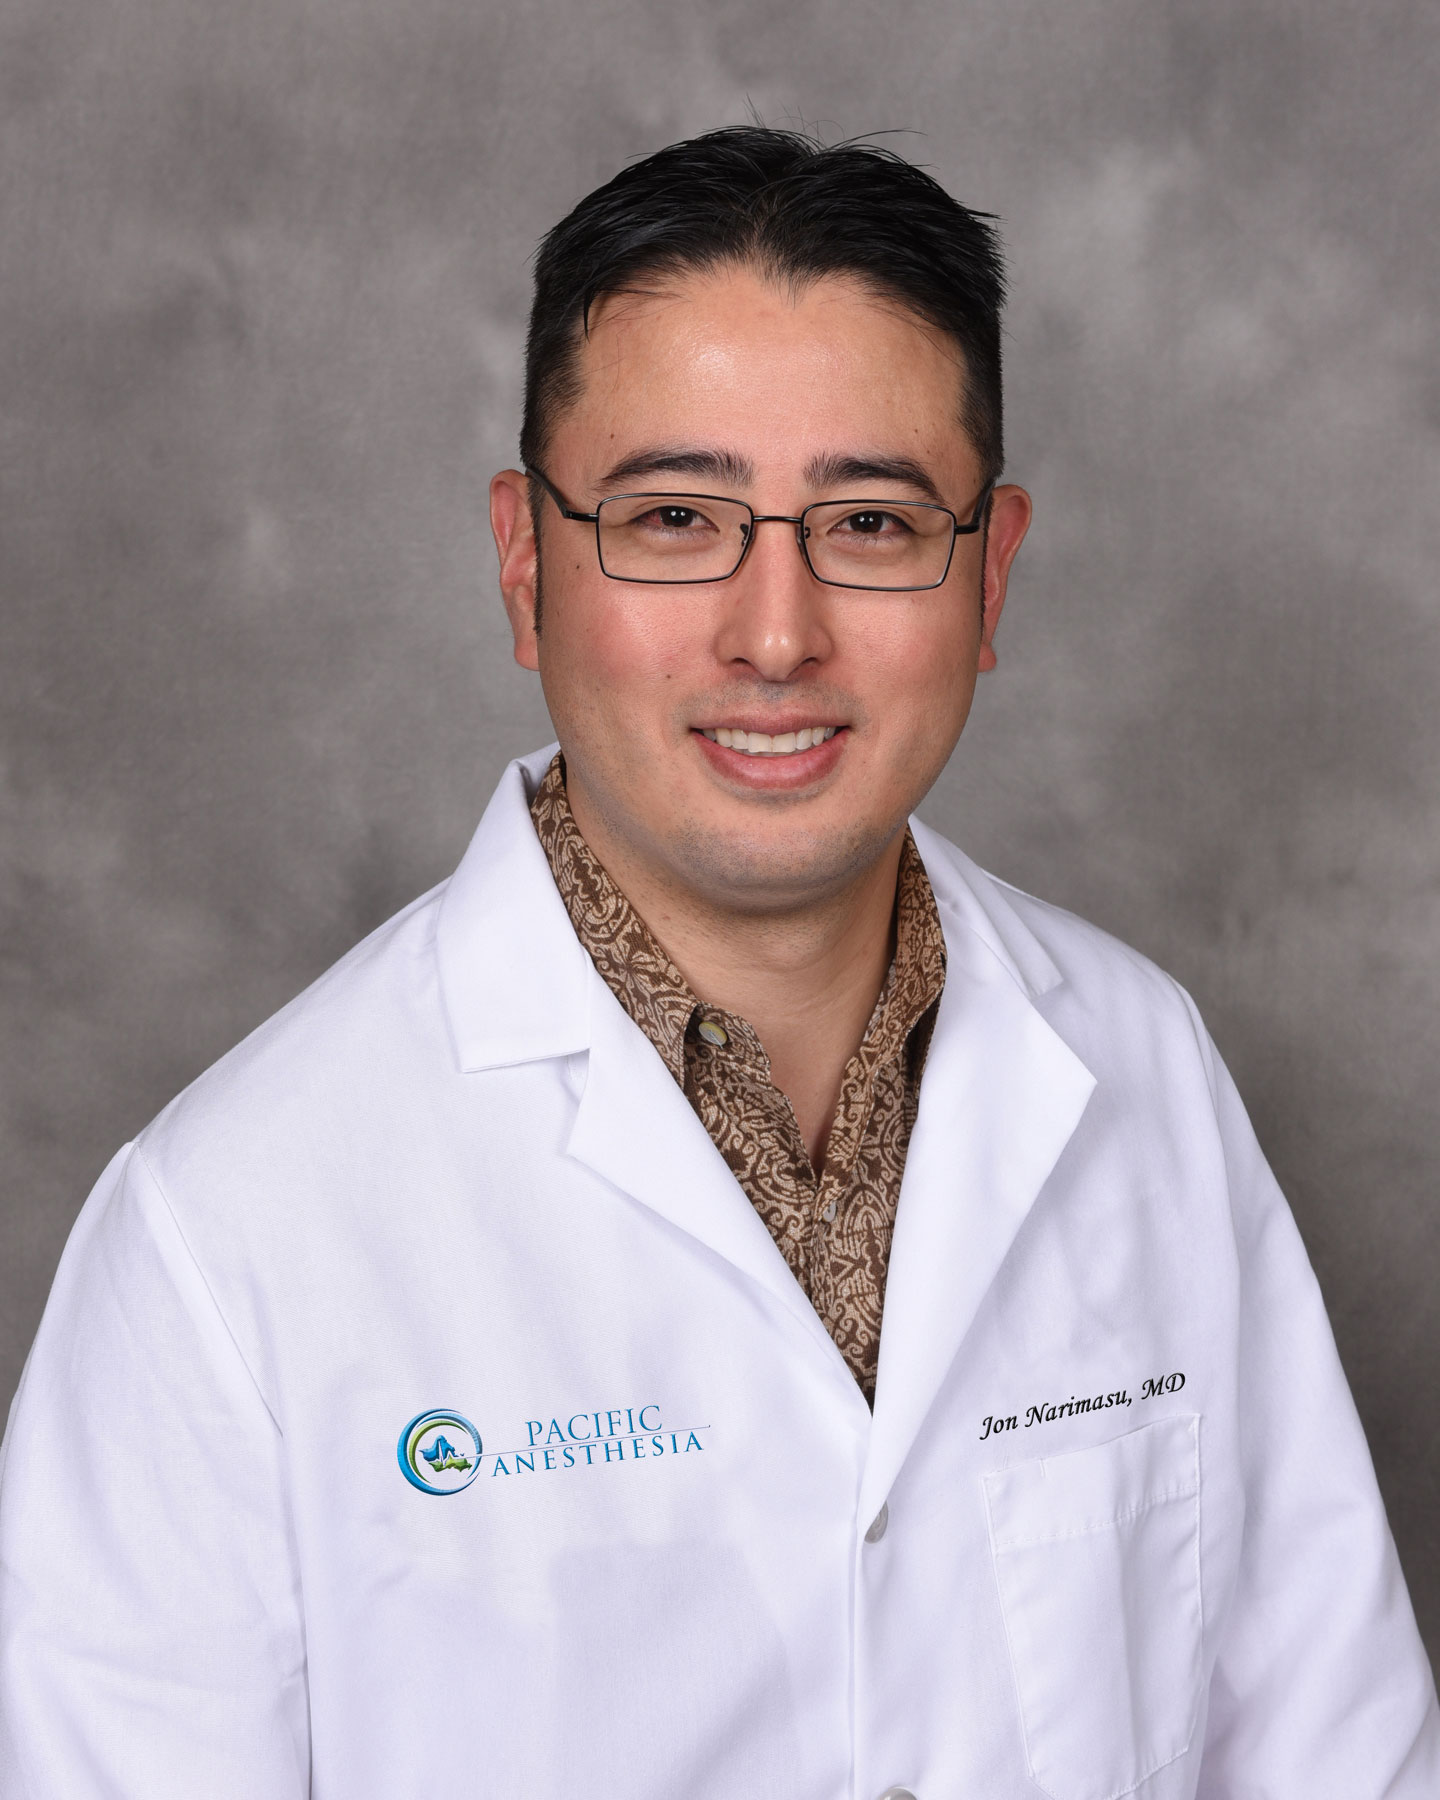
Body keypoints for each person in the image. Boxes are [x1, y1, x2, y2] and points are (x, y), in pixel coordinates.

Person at [0, 125, 1434, 1800]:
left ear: (993, 574)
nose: (774, 633)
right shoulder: (227, 1231)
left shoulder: (1143, 1067)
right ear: (525, 563)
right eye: (674, 516)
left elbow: (1342, 1758)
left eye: (875, 523)